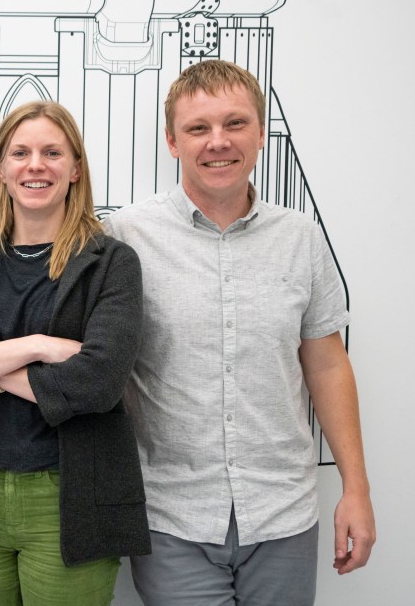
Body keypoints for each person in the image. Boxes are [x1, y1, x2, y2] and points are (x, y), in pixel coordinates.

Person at [105, 60, 376, 605]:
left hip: (283, 514)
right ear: (172, 141)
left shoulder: (300, 237)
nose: (218, 142)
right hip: (171, 516)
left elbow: (325, 364)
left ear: (259, 133)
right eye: (198, 128)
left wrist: (356, 489)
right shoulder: (125, 235)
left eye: (235, 123)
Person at [0, 101, 150, 606]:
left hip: (73, 498)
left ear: (75, 168)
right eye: (20, 152)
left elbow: (100, 381)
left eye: (51, 152)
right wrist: (37, 347)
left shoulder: (111, 263)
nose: (35, 165)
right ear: (1, 169)